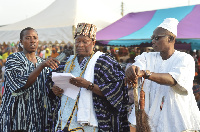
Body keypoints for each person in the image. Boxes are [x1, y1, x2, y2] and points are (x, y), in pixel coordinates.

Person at [49, 23, 129, 132]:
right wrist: (55, 89)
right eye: (77, 41)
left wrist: (88, 85)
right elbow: (51, 82)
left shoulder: (104, 62)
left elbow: (115, 91)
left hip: (91, 123)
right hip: (64, 120)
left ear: (93, 43)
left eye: (85, 42)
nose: (80, 45)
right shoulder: (66, 61)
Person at [126, 18, 200, 131]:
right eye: (152, 38)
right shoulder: (147, 57)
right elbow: (138, 64)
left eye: (157, 38)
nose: (153, 41)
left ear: (170, 39)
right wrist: (132, 69)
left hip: (176, 120)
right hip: (151, 121)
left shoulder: (185, 59)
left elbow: (173, 79)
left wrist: (146, 74)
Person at [0, 27, 60, 132]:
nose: (32, 41)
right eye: (28, 38)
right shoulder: (13, 59)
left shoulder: (43, 61)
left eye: (35, 38)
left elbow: (47, 87)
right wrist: (41, 66)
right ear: (21, 42)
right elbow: (22, 84)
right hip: (18, 117)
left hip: (38, 116)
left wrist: (56, 88)